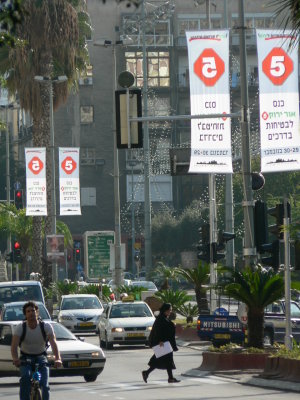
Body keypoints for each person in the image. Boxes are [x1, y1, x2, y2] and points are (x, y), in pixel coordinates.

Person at [11, 301, 62, 400]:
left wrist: (58, 359)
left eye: (33, 310)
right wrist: (15, 359)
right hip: (25, 358)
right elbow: (14, 346)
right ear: (25, 314)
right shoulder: (20, 327)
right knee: (25, 378)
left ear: (37, 312)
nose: (31, 313)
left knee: (45, 384)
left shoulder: (45, 326)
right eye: (28, 311)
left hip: (41, 357)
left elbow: (53, 343)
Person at [142, 302, 180, 383]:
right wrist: (160, 341)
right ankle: (147, 373)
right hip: (162, 343)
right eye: (169, 310)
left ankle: (169, 377)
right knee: (164, 360)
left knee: (164, 360)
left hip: (165, 343)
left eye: (171, 310)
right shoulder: (160, 319)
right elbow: (158, 331)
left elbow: (168, 326)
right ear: (165, 310)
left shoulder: (164, 318)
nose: (170, 312)